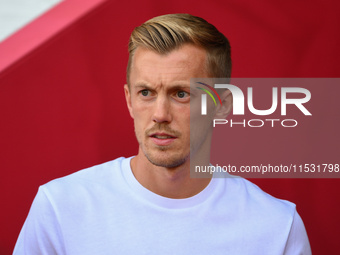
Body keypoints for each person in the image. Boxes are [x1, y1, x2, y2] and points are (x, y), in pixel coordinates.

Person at [13, 14, 311, 254]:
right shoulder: (60, 207)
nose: (160, 114)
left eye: (181, 94)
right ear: (129, 100)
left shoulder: (277, 227)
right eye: (146, 92)